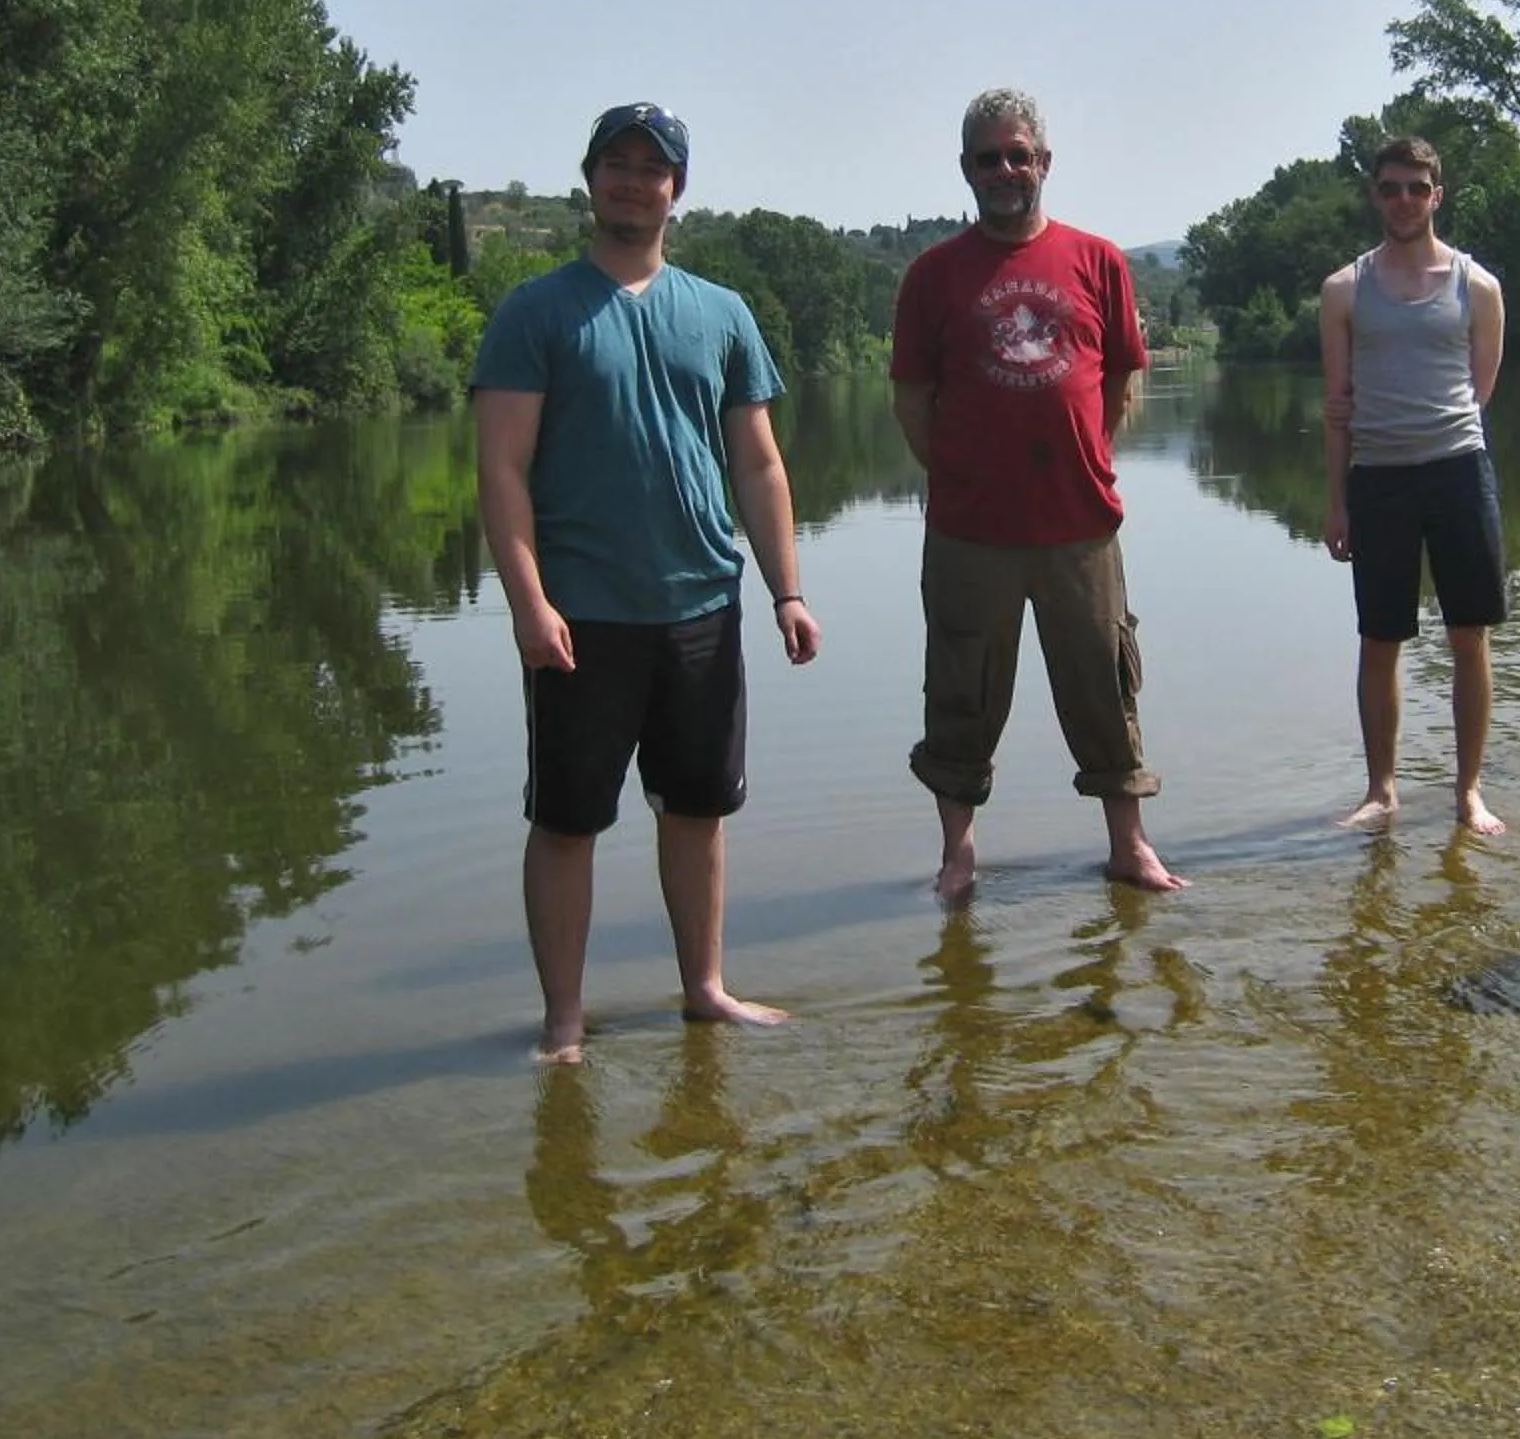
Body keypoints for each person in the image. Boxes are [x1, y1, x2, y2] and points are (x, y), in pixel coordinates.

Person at [473, 101, 820, 1063]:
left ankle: (705, 990)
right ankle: (564, 1021)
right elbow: (501, 470)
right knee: (566, 820)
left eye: (651, 168)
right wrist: (528, 602)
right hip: (580, 615)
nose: (633, 182)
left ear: (677, 189)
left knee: (698, 810)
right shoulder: (535, 312)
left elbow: (758, 464)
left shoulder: (722, 313)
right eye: (616, 165)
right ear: (590, 181)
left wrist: (787, 591)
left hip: (702, 604)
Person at [891, 87, 1185, 902]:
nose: (1005, 170)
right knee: (961, 689)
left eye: (1018, 155)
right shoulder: (932, 276)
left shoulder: (1098, 260)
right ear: (966, 168)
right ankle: (958, 857)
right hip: (970, 531)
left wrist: (1082, 455)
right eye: (989, 158)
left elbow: (1123, 376)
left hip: (1079, 525)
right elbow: (912, 401)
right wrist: (962, 474)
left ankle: (1129, 846)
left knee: (1105, 682)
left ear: (1044, 162)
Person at [1319, 137, 1511, 835]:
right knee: (1380, 638)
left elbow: (1478, 389)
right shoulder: (1344, 290)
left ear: (1437, 195)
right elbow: (1337, 404)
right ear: (1375, 196)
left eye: (1416, 188)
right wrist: (1336, 501)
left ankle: (1469, 792)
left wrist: (1435, 433)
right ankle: (1382, 790)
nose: (1404, 200)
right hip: (1378, 478)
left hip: (1458, 470)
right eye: (1390, 187)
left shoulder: (1478, 286)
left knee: (1470, 636)